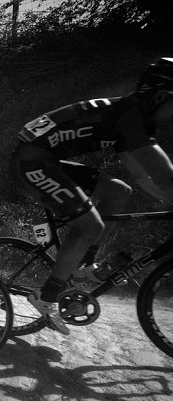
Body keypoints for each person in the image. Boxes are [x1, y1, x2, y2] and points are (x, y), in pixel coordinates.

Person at [12, 57, 173, 335]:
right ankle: (47, 296)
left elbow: (143, 176)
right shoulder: (132, 117)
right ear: (161, 96)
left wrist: (168, 199)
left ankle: (85, 265)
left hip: (45, 157)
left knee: (119, 191)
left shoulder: (135, 116)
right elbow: (162, 173)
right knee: (90, 225)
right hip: (32, 161)